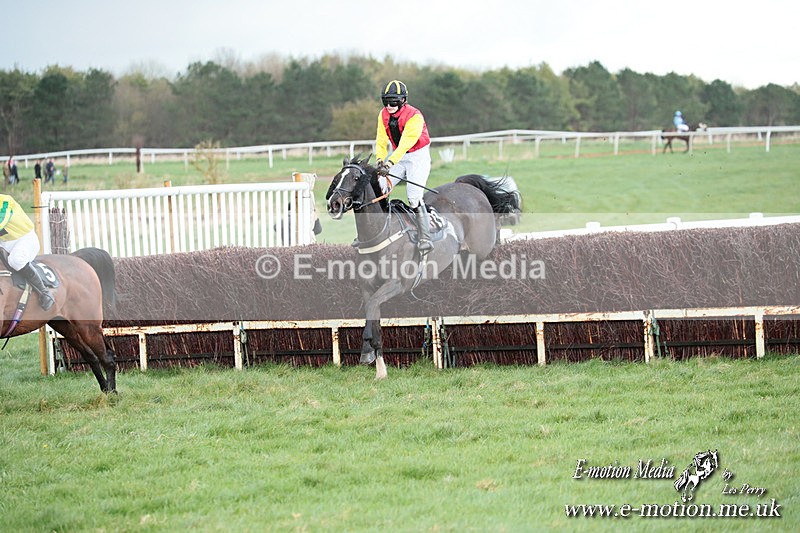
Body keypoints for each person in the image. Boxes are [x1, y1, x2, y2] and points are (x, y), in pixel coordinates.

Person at [375, 80, 433, 252]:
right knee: (380, 187)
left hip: (417, 156)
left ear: (403, 100)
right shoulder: (383, 114)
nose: (389, 105)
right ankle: (377, 232)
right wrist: (380, 160)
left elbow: (405, 144)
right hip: (397, 154)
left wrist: (390, 162)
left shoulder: (415, 116)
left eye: (393, 102)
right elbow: (381, 139)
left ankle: (425, 238)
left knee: (414, 197)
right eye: (385, 101)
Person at [0, 194, 55, 310]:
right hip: (4, 242)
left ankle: (44, 292)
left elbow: (2, 220)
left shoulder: (6, 201)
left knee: (16, 260)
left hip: (25, 239)